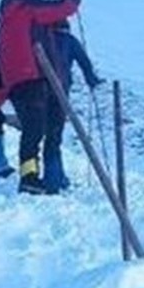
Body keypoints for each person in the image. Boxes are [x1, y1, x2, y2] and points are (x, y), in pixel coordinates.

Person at [0, 0, 82, 194]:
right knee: (45, 130)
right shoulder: (27, 9)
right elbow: (63, 8)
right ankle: (35, 179)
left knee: (31, 131)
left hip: (14, 85)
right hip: (34, 78)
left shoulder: (3, 26)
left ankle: (29, 175)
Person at [41, 19, 103, 192]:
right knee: (55, 136)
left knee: (47, 135)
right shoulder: (70, 41)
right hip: (61, 93)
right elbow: (84, 62)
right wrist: (91, 80)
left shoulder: (44, 39)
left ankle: (56, 176)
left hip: (41, 93)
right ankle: (54, 180)